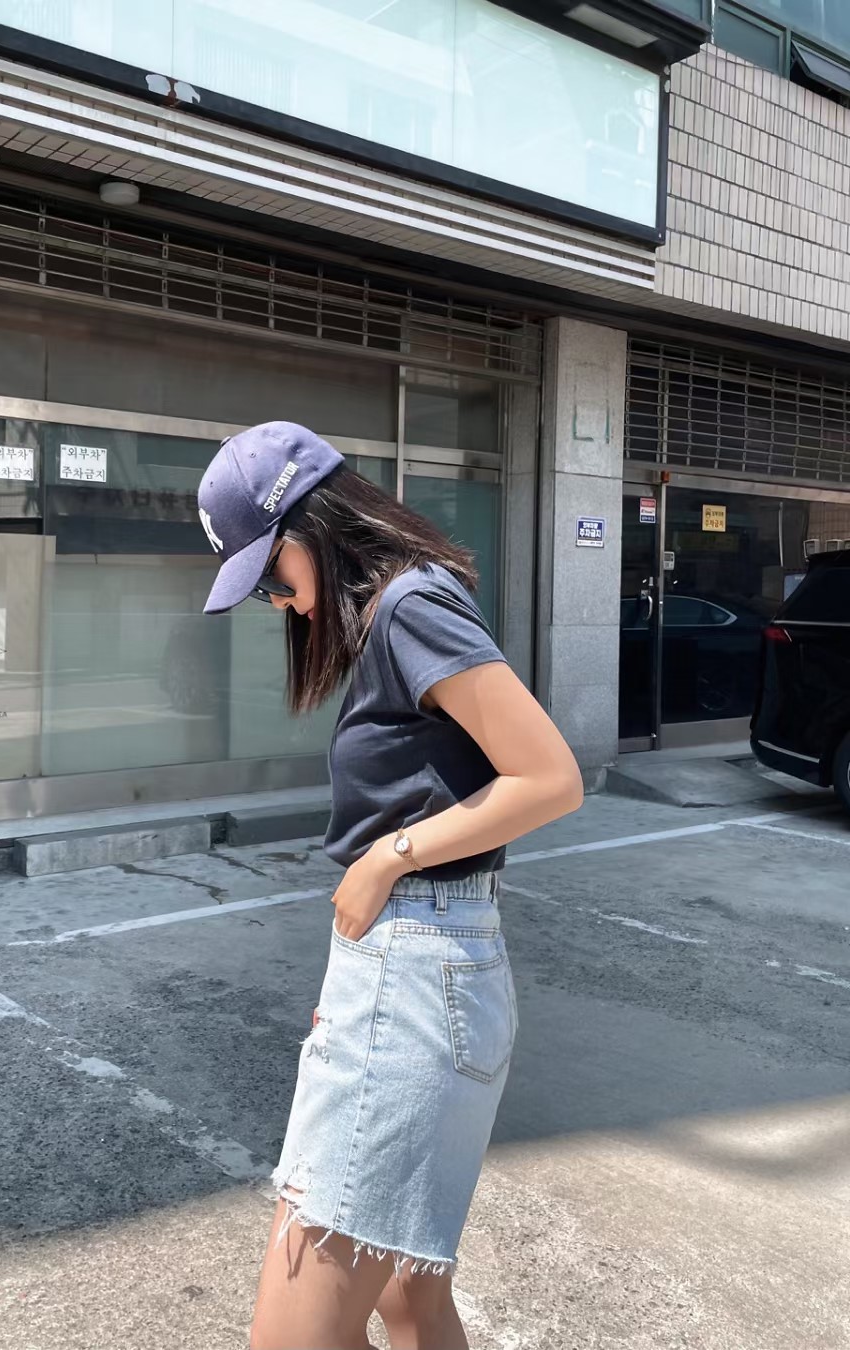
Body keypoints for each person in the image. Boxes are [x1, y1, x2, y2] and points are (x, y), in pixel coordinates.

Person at [197, 422, 584, 1350]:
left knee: (294, 1337)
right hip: (416, 971)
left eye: (272, 576)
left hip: (417, 975)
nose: (281, 605)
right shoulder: (399, 611)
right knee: (411, 1300)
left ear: (312, 525)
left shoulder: (410, 606)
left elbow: (549, 778)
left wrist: (388, 857)